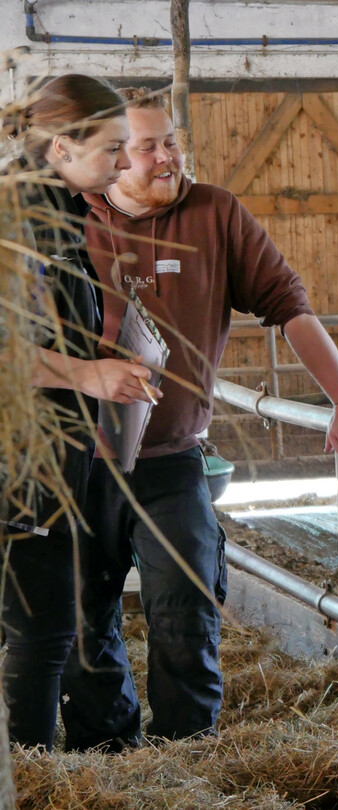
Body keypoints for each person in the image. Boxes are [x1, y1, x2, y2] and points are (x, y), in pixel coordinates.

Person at [59, 87, 338, 751]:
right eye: (148, 147)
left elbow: (288, 304)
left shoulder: (214, 213)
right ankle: (106, 752)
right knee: (83, 615)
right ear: (112, 159)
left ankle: (186, 750)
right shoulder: (66, 218)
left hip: (170, 458)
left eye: (171, 141)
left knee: (184, 606)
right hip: (78, 460)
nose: (168, 157)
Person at [1, 74, 158, 750]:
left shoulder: (58, 215)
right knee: (41, 629)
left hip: (51, 456)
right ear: (62, 145)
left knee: (46, 625)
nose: (124, 164)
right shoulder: (16, 223)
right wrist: (89, 373)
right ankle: (27, 775)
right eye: (112, 149)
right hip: (18, 460)